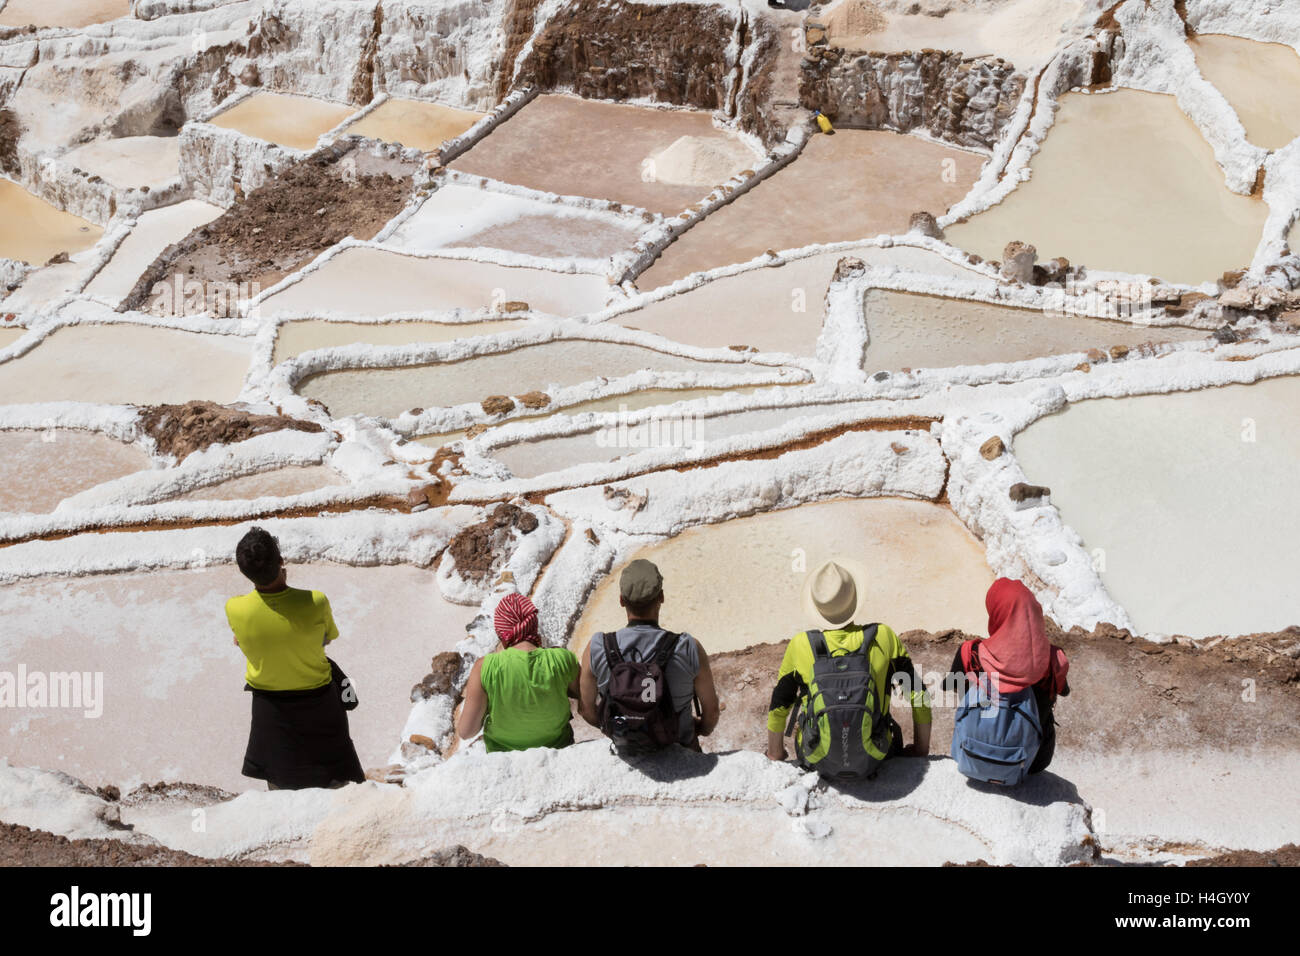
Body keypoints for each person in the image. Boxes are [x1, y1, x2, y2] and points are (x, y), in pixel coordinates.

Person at [226, 527, 364, 791]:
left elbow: (242, 639)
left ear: (244, 572)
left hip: (269, 707)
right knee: (337, 780)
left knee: (280, 782)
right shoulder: (315, 601)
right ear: (280, 562)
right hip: (320, 700)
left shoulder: (235, 608)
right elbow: (327, 639)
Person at [766, 560, 931, 777]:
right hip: (876, 755)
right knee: (892, 728)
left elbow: (779, 706)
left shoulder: (800, 645)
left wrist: (776, 753)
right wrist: (920, 749)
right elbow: (919, 696)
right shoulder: (884, 636)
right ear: (853, 599)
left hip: (817, 758)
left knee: (804, 724)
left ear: (817, 606)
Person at [579, 559, 721, 753]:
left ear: (621, 600)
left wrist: (619, 731)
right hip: (680, 748)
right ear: (661, 597)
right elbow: (711, 713)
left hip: (627, 751)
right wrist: (698, 730)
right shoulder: (688, 647)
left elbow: (587, 710)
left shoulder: (596, 647)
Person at [943, 577, 1070, 777]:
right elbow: (1064, 691)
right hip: (1031, 762)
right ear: (1034, 614)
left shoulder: (970, 653)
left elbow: (949, 685)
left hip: (970, 751)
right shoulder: (1055, 660)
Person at [456, 592, 580, 752]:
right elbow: (585, 700)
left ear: (501, 631)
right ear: (533, 625)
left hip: (505, 760)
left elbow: (466, 732)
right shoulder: (562, 659)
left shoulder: (485, 667)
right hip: (558, 752)